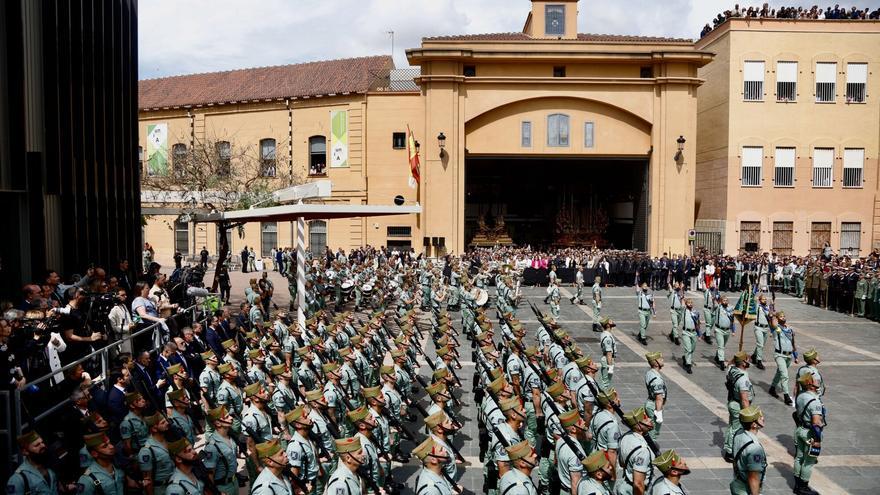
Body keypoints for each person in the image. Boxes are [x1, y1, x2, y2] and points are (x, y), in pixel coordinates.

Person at [793, 374, 826, 495]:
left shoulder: (801, 396)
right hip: (810, 433)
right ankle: (803, 487)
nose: (818, 381)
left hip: (800, 429)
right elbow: (816, 423)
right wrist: (817, 439)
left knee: (799, 457)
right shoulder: (814, 401)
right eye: (815, 380)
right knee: (809, 461)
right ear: (809, 384)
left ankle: (797, 485)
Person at [616, 407, 656, 495]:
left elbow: (622, 463)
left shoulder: (624, 438)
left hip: (625, 486)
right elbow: (638, 484)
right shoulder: (642, 450)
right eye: (645, 418)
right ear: (639, 425)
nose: (649, 419)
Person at [729, 406, 767, 495]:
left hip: (737, 484)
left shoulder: (738, 433)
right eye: (760, 417)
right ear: (754, 424)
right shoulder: (755, 448)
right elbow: (753, 476)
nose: (763, 418)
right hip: (747, 489)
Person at [723, 352, 753, 463]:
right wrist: (748, 413)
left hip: (732, 402)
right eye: (747, 360)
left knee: (732, 426)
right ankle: (730, 452)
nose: (749, 361)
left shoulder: (732, 370)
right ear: (743, 363)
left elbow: (729, 364)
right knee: (736, 428)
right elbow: (744, 398)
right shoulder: (742, 379)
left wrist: (736, 357)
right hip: (738, 404)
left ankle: (730, 448)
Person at [768, 312, 796, 406]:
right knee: (785, 375)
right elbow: (774, 324)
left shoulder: (789, 329)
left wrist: (795, 355)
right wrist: (774, 316)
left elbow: (793, 343)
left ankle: (772, 387)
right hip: (779, 355)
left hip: (788, 355)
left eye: (784, 316)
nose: (783, 317)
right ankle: (786, 396)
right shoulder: (776, 328)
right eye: (781, 316)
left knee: (779, 373)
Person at [643, 352, 666, 442]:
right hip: (654, 406)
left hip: (651, 402)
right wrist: (659, 413)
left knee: (650, 431)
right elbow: (659, 398)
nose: (663, 360)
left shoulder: (650, 373)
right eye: (660, 359)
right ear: (656, 363)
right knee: (653, 433)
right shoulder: (657, 379)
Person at [713, 296, 735, 368]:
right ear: (721, 301)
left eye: (726, 300)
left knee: (722, 345)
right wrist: (714, 298)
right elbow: (714, 303)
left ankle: (717, 356)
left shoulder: (731, 308)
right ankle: (721, 362)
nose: (725, 302)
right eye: (723, 300)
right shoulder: (718, 307)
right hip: (719, 330)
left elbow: (733, 318)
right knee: (721, 346)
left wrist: (733, 330)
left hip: (727, 330)